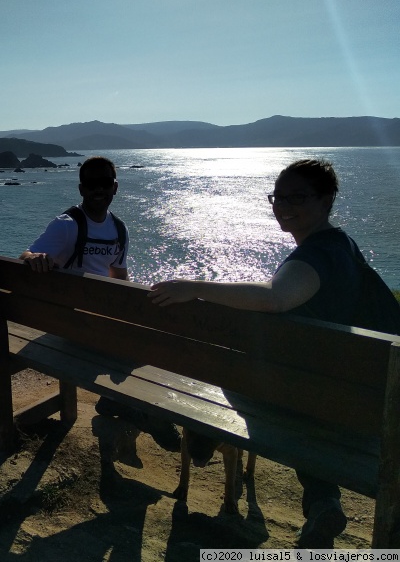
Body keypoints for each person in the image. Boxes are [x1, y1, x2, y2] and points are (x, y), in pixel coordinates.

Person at [148, 158, 372, 547]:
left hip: (333, 402)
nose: (282, 205)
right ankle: (321, 498)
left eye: (296, 197)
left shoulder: (317, 254)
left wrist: (196, 287)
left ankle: (201, 442)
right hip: (357, 395)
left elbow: (276, 296)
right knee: (287, 386)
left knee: (235, 377)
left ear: (327, 199)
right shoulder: (344, 247)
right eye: (277, 197)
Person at [21, 155, 182, 454]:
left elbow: (119, 277)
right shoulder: (66, 225)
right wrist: (35, 259)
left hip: (94, 320)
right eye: (91, 184)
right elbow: (27, 255)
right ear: (81, 189)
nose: (98, 189)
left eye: (104, 183)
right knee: (152, 344)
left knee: (150, 337)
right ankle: (146, 411)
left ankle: (120, 400)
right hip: (68, 324)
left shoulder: (119, 230)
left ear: (115, 187)